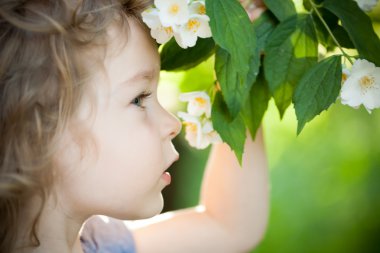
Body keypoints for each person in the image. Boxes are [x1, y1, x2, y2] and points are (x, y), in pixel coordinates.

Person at [0, 0, 269, 252]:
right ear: (40, 128)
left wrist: (240, 73)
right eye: (139, 98)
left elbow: (228, 225)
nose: (173, 124)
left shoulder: (102, 243)